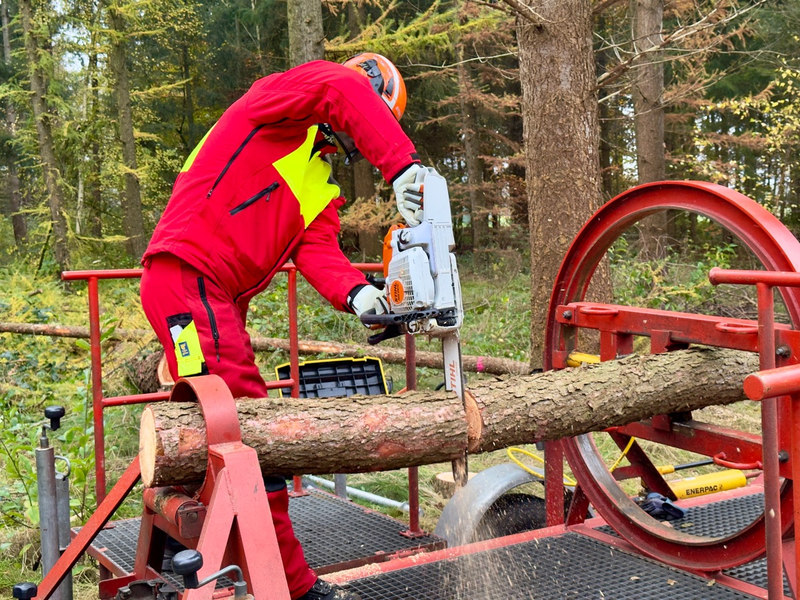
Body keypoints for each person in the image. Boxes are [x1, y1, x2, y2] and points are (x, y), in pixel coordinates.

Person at [140, 53, 428, 600]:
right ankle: (293, 586)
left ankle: (192, 549)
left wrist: (361, 295)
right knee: (248, 426)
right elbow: (337, 86)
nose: (352, 138)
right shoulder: (275, 106)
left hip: (212, 297)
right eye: (367, 120)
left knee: (211, 425)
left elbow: (318, 251)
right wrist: (402, 165)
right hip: (186, 278)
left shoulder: (319, 186)